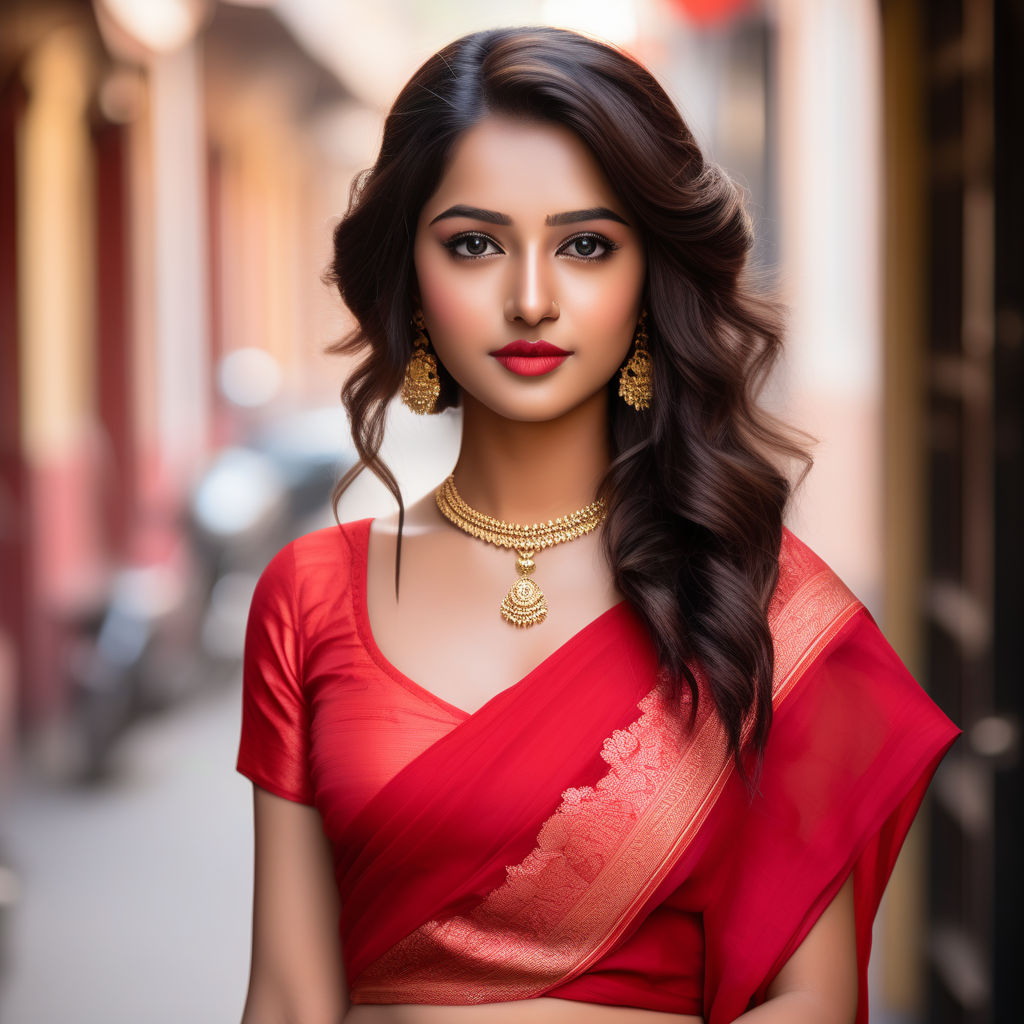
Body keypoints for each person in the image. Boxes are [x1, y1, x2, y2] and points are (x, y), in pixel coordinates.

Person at [236, 26, 958, 1024]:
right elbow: (284, 996)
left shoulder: (764, 608)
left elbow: (815, 1004)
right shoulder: (309, 594)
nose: (530, 298)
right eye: (474, 244)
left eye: (584, 245)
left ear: (646, 282)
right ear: (412, 279)